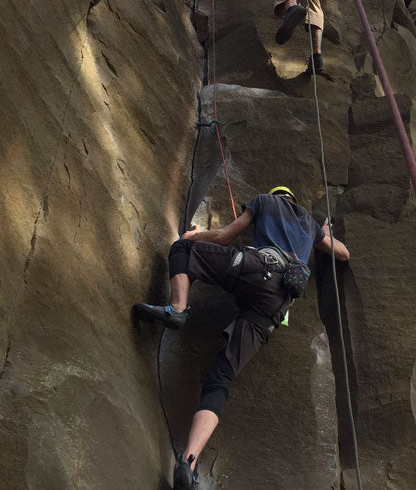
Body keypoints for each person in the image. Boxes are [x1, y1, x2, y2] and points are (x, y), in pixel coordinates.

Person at [133, 186, 350, 490]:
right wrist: (325, 230)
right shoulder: (310, 225)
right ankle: (188, 462)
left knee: (182, 250)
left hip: (255, 270)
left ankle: (178, 309)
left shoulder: (264, 201)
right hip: (276, 306)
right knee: (220, 379)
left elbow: (223, 237)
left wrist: (194, 236)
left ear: (276, 195)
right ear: (294, 200)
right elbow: (342, 253)